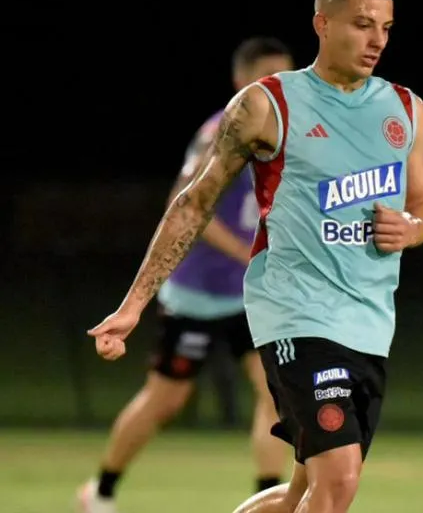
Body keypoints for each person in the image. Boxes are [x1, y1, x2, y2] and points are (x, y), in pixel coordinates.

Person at [88, 0, 423, 513]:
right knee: (338, 482)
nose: (377, 40)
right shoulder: (266, 105)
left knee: (302, 491)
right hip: (295, 312)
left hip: (369, 323)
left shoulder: (406, 109)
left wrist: (412, 230)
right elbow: (193, 203)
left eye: (387, 27)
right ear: (322, 23)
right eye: (362, 23)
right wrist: (134, 305)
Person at [78, 37, 294, 513]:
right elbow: (189, 202)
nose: (278, 88)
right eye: (268, 77)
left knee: (276, 393)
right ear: (242, 83)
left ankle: (267, 496)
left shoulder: (291, 130)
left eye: (285, 77)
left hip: (247, 296)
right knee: (165, 401)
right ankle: (101, 492)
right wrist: (245, 250)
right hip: (196, 294)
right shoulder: (223, 127)